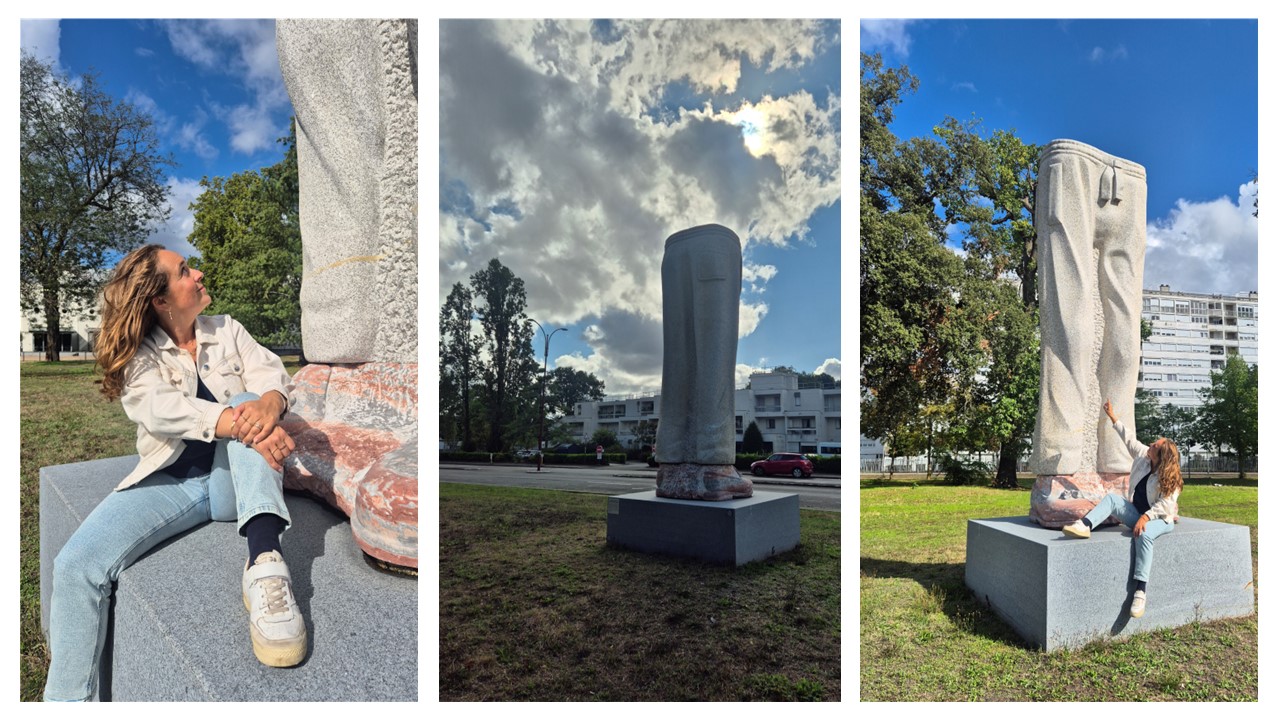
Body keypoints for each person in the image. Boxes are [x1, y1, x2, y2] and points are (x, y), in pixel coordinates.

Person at [44, 245, 307, 702]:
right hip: (170, 481)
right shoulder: (141, 357)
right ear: (160, 301)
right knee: (74, 566)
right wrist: (248, 424)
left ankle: (265, 564)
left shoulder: (227, 329)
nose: (199, 273)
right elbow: (161, 409)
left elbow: (270, 372)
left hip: (233, 483)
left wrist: (268, 405)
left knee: (247, 398)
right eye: (185, 271)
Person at [1061, 398, 1182, 619]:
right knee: (1111, 499)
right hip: (1138, 513)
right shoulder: (1145, 458)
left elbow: (1166, 505)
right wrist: (1113, 417)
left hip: (1160, 519)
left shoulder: (1170, 478)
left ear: (1161, 456)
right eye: (1153, 443)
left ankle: (1140, 591)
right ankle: (1084, 525)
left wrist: (1145, 518)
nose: (1151, 445)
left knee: (1144, 537)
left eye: (1155, 445)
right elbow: (1129, 439)